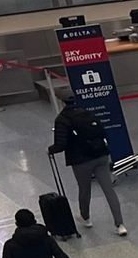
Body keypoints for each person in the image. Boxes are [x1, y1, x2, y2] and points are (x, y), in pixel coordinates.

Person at [52, 94, 126, 235]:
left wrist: (50, 150)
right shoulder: (89, 113)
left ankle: (85, 218)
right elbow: (103, 132)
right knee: (109, 190)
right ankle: (120, 224)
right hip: (101, 156)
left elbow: (60, 144)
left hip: (81, 161)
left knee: (84, 189)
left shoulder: (62, 119)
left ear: (61, 102)